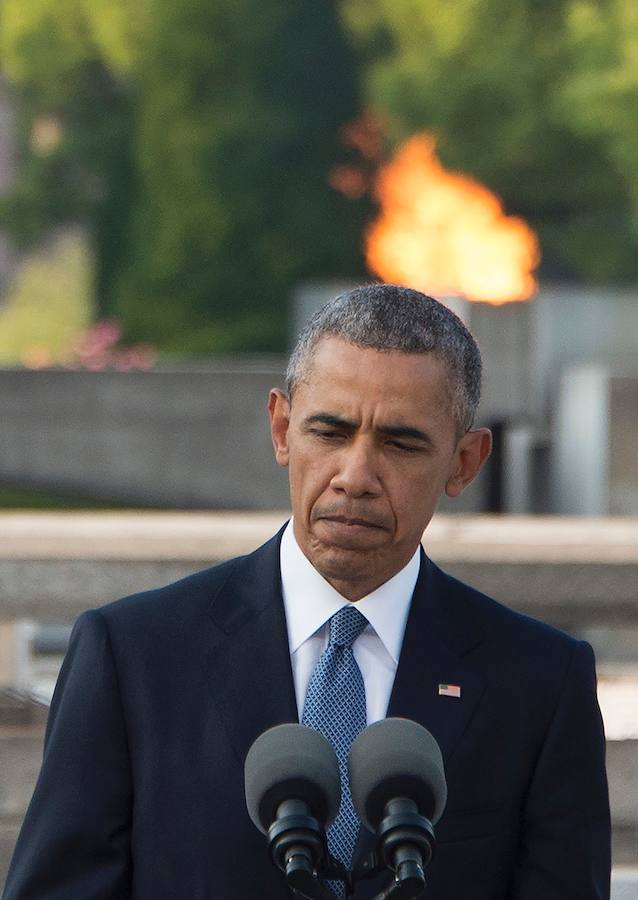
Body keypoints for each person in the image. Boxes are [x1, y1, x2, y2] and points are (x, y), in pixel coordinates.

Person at [3, 284, 610, 899]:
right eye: (330, 431)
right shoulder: (132, 655)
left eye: (400, 444)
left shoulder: (539, 682)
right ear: (282, 428)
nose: (356, 476)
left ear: (465, 463)